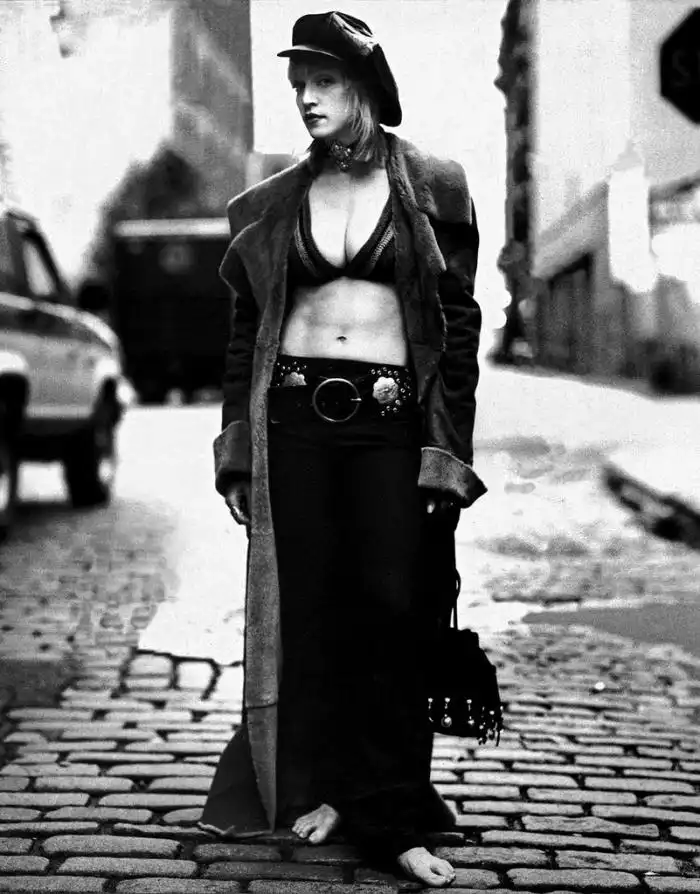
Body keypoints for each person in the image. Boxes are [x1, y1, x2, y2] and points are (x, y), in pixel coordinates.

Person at [200, 10, 486, 888]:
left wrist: (447, 453)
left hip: (389, 427)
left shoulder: (433, 186)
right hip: (294, 424)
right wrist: (239, 450)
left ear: (364, 87)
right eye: (298, 86)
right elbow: (246, 331)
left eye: (324, 82)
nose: (307, 100)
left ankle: (392, 813)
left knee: (392, 613)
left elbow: (457, 329)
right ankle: (328, 787)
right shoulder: (274, 202)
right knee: (313, 614)